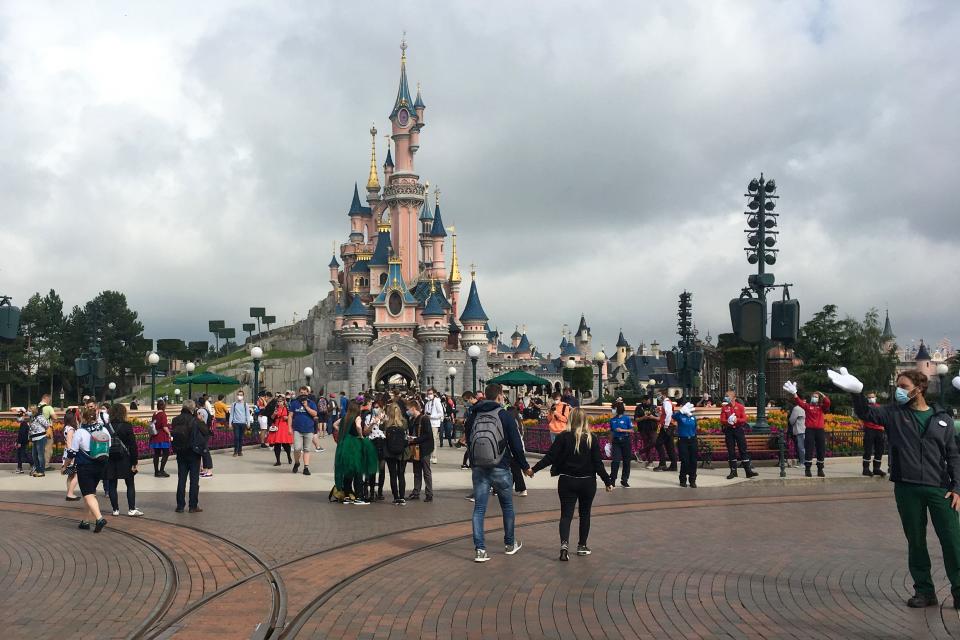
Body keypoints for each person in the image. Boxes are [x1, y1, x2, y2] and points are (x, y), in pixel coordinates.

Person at [828, 366, 960, 609]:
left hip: (941, 489)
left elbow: (953, 456)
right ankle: (924, 591)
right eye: (897, 386)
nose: (898, 391)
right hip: (907, 488)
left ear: (919, 389)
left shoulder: (942, 418)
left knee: (953, 540)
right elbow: (866, 413)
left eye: (903, 387)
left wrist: (958, 488)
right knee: (916, 542)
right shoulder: (893, 414)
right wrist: (857, 393)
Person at [530, 407, 613, 560]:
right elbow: (598, 464)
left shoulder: (563, 437)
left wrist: (533, 470)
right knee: (585, 514)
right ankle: (582, 545)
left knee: (566, 515)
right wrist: (607, 481)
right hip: (587, 482)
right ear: (585, 421)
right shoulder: (591, 438)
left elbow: (550, 457)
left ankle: (564, 546)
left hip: (567, 480)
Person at [465, 383, 530, 562]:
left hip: (479, 467)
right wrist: (524, 466)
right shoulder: (504, 415)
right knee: (507, 506)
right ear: (500, 396)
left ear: (485, 395)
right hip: (500, 466)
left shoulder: (474, 414)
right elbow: (516, 445)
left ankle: (480, 550)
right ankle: (509, 544)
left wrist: (473, 462)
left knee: (479, 509)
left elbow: (469, 440)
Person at [66, 405, 110, 532]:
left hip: (85, 467)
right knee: (90, 493)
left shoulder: (80, 432)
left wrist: (65, 466)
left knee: (88, 494)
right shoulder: (104, 429)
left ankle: (100, 519)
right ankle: (85, 521)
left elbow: (72, 452)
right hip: (100, 465)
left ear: (82, 418)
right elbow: (109, 446)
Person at [782, 382, 831, 477]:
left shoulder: (821, 408)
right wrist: (794, 393)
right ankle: (807, 469)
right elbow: (799, 402)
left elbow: (828, 402)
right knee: (809, 449)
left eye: (816, 396)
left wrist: (822, 395)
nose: (814, 397)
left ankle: (820, 469)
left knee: (821, 450)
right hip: (809, 430)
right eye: (813, 396)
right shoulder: (808, 406)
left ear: (819, 398)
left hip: (820, 430)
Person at [104, 403, 142, 517]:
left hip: (110, 458)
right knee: (130, 483)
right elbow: (133, 445)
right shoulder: (127, 426)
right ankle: (131, 509)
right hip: (125, 458)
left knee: (112, 484)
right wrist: (134, 462)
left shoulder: (106, 426)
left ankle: (115, 509)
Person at [171, 400, 209, 513]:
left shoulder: (175, 420)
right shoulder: (195, 420)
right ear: (192, 409)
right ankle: (193, 506)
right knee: (194, 480)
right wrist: (201, 420)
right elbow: (206, 432)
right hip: (193, 453)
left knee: (181, 479)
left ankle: (180, 506)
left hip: (180, 452)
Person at [720, 389, 758, 479]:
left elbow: (744, 419)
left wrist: (736, 420)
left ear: (734, 397)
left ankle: (748, 471)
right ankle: (733, 471)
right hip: (729, 430)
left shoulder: (740, 407)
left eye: (728, 396)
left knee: (743, 450)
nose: (726, 397)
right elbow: (722, 419)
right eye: (726, 396)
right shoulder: (725, 408)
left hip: (738, 430)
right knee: (731, 451)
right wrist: (728, 421)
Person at [333, 400, 366, 503]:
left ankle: (347, 494)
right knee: (357, 471)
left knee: (347, 470)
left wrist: (342, 432)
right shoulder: (357, 417)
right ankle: (359, 496)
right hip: (354, 445)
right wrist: (361, 435)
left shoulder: (345, 418)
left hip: (344, 445)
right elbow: (358, 426)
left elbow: (335, 424)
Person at [407, 400, 435, 502]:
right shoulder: (412, 420)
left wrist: (415, 440)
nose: (408, 411)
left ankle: (429, 493)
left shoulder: (424, 419)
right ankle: (416, 492)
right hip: (415, 448)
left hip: (424, 448)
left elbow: (428, 435)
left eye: (408, 409)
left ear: (413, 408)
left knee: (426, 472)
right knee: (417, 471)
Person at [382, 403, 409, 505]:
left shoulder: (386, 423)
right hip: (402, 452)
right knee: (401, 475)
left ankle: (396, 497)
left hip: (389, 452)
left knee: (393, 475)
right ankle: (402, 497)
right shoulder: (404, 422)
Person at [288, 386, 319, 476]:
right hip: (297, 429)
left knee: (307, 449)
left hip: (309, 429)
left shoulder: (311, 403)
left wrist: (306, 406)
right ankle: (297, 462)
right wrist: (289, 427)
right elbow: (290, 415)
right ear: (299, 393)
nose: (303, 394)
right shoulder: (294, 403)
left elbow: (315, 414)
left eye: (305, 393)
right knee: (297, 448)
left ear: (308, 393)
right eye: (301, 392)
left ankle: (306, 467)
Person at [365, 402, 387, 501]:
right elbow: (366, 432)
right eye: (374, 407)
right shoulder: (369, 417)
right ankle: (372, 492)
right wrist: (373, 423)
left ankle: (380, 491)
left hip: (382, 442)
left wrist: (383, 421)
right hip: (372, 443)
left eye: (378, 407)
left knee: (382, 469)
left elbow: (387, 430)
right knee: (372, 469)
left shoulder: (385, 418)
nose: (376, 409)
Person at [862, 391, 887, 478]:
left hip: (879, 430)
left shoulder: (880, 407)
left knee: (879, 450)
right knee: (868, 450)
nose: (871, 399)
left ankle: (876, 468)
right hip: (869, 429)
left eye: (872, 397)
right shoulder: (865, 407)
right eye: (869, 397)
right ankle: (865, 469)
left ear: (875, 398)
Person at [608, 401, 633, 487]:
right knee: (615, 461)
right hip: (616, 442)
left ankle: (624, 479)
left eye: (613, 408)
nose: (612, 410)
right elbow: (611, 432)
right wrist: (609, 444)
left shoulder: (626, 419)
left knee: (626, 461)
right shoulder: (612, 420)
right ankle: (613, 479)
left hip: (625, 441)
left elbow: (631, 430)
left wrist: (623, 430)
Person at [675, 402, 698, 488]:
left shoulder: (693, 417)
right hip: (683, 440)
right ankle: (683, 480)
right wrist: (681, 411)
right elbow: (674, 417)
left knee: (693, 461)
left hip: (692, 440)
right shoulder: (681, 416)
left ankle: (692, 480)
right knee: (685, 461)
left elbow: (695, 427)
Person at [653, 392, 678, 473]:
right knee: (669, 445)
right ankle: (673, 465)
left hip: (667, 426)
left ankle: (662, 464)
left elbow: (669, 413)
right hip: (670, 426)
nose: (658, 397)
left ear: (664, 395)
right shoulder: (667, 402)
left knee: (658, 443)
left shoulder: (666, 402)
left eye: (659, 395)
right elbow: (665, 414)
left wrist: (666, 425)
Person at [507, 406, 528, 496]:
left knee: (515, 469)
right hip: (519, 447)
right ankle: (510, 486)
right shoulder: (519, 422)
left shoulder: (512, 423)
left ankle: (522, 488)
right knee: (514, 468)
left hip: (514, 448)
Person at [267, 397, 292, 466]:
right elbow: (272, 418)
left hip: (284, 427)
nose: (279, 403)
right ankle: (278, 461)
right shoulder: (275, 408)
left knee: (286, 444)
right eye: (278, 401)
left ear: (283, 402)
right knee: (277, 445)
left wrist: (287, 417)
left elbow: (291, 417)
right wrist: (274, 414)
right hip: (277, 427)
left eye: (280, 401)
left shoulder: (287, 408)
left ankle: (289, 456)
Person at [150, 399, 171, 477]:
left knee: (156, 454)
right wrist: (169, 433)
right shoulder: (163, 414)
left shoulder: (154, 414)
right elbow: (164, 427)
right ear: (163, 406)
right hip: (162, 436)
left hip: (155, 436)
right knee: (166, 453)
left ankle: (156, 471)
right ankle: (162, 470)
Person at [62, 408, 80, 500]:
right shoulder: (71, 429)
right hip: (71, 455)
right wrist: (72, 457)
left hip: (66, 454)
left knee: (70, 475)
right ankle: (70, 493)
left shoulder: (66, 427)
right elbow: (69, 443)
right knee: (77, 474)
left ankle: (69, 492)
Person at [27, 404, 50, 477]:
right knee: (34, 455)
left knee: (40, 455)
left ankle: (41, 471)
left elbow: (47, 424)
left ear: (33, 410)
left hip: (41, 437)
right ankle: (37, 469)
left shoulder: (39, 417)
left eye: (29, 410)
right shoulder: (31, 417)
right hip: (34, 438)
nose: (28, 412)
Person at [635, 398, 658, 468]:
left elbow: (659, 417)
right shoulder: (639, 407)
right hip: (643, 429)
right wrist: (643, 417)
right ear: (643, 400)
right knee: (647, 444)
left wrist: (652, 417)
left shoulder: (654, 407)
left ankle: (639, 452)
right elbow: (636, 419)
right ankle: (650, 462)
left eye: (649, 400)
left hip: (653, 428)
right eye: (646, 400)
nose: (648, 401)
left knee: (654, 441)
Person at [38, 394, 57, 470]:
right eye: (49, 400)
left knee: (39, 448)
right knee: (48, 448)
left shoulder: (36, 407)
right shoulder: (48, 407)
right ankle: (46, 465)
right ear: (46, 398)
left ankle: (38, 464)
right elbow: (55, 417)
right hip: (47, 430)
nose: (49, 401)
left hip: (37, 431)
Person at [230, 391, 251, 457]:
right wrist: (230, 423)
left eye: (241, 395)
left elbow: (247, 414)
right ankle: (235, 451)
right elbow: (231, 414)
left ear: (243, 396)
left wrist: (248, 422)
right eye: (238, 395)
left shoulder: (245, 404)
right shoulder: (234, 404)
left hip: (243, 423)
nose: (239, 396)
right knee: (236, 437)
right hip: (236, 423)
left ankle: (240, 451)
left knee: (241, 438)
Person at [788, 398, 806, 470]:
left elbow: (791, 420)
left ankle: (802, 462)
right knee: (805, 447)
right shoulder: (807, 406)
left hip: (800, 430)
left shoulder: (797, 408)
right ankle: (806, 462)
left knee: (801, 447)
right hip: (807, 429)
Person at [15, 409, 30, 474]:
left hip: (23, 442)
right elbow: (20, 434)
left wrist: (19, 442)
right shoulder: (23, 423)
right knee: (20, 454)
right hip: (22, 442)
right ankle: (19, 468)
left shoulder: (24, 424)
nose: (18, 417)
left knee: (23, 455)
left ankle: (33, 464)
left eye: (20, 416)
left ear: (23, 416)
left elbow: (22, 434)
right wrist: (17, 441)